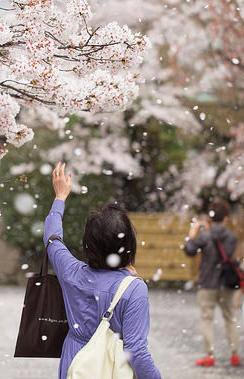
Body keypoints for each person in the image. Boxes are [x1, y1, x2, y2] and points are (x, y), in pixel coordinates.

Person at [44, 162, 161, 379]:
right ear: (130, 243)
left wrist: (60, 197)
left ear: (88, 244)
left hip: (76, 364)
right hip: (112, 368)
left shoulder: (71, 271)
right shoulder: (134, 289)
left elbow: (52, 239)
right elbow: (136, 350)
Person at [183, 198, 240, 367]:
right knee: (230, 317)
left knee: (207, 318)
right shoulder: (232, 237)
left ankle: (210, 354)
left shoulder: (205, 236)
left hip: (208, 282)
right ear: (226, 218)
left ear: (210, 218)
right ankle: (234, 353)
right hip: (227, 282)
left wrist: (193, 234)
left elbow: (189, 250)